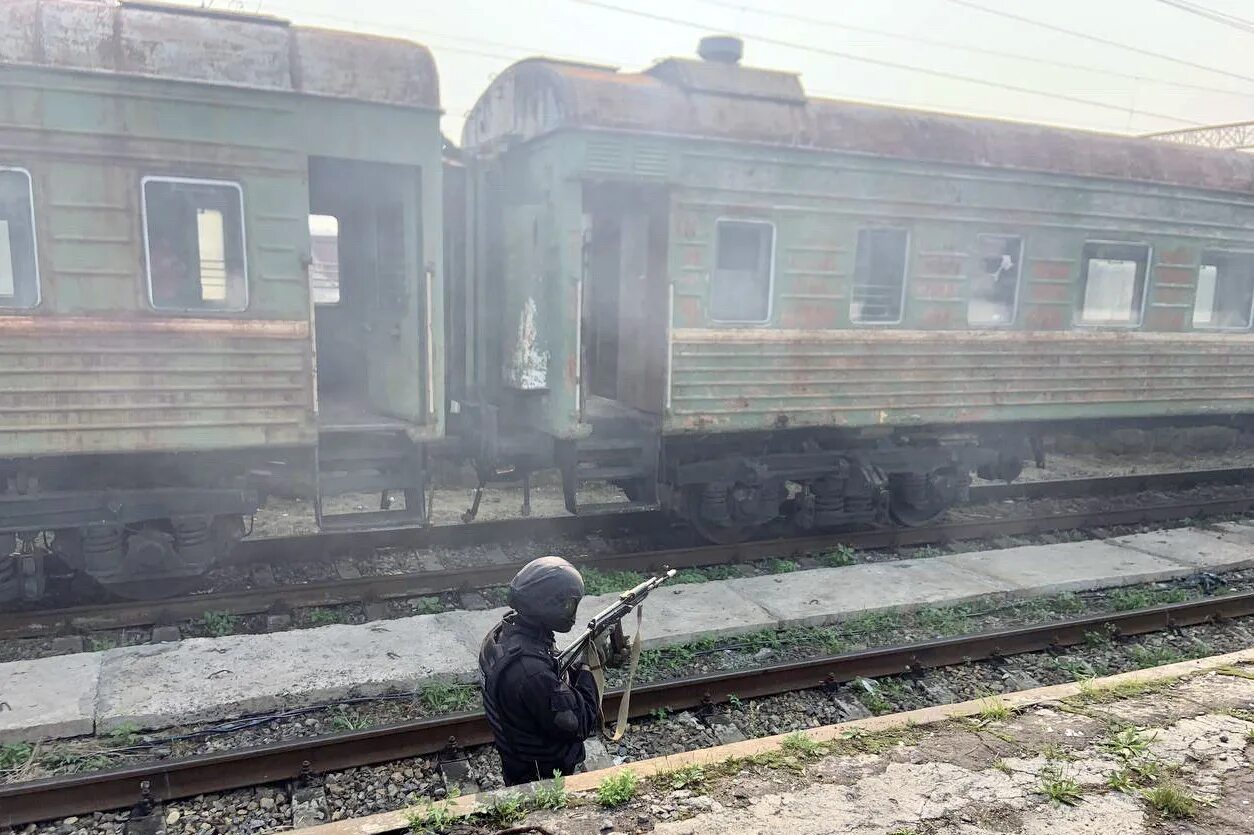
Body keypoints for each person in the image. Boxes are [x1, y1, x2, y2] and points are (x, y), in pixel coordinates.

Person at [478, 556, 604, 786]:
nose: (572, 611)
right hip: (540, 777)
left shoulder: (503, 636)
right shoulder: (531, 673)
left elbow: (550, 666)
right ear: (546, 606)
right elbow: (581, 723)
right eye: (568, 604)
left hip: (518, 758)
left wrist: (575, 664)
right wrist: (590, 666)